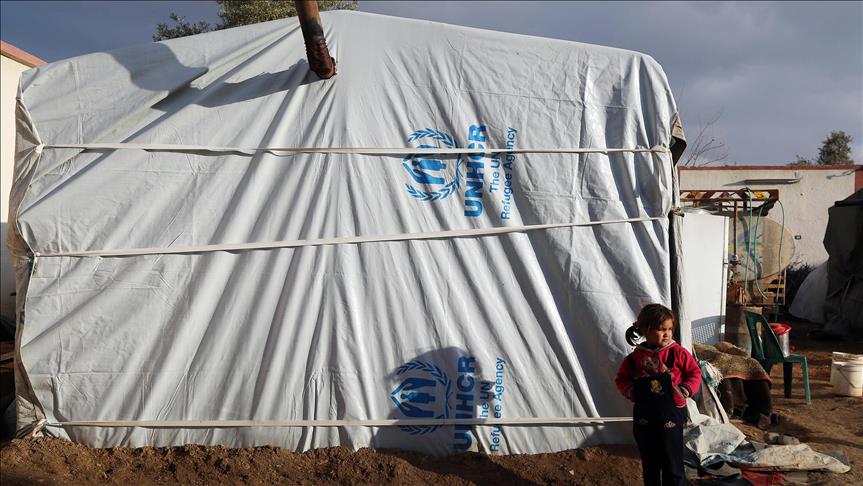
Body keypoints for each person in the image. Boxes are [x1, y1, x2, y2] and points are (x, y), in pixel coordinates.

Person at [615, 303, 702, 486]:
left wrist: (685, 389)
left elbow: (694, 373)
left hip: (671, 414)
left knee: (673, 462)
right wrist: (631, 391)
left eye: (670, 329)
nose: (667, 334)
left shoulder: (678, 353)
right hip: (645, 417)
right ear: (645, 330)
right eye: (661, 329)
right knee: (650, 463)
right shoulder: (634, 359)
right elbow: (622, 379)